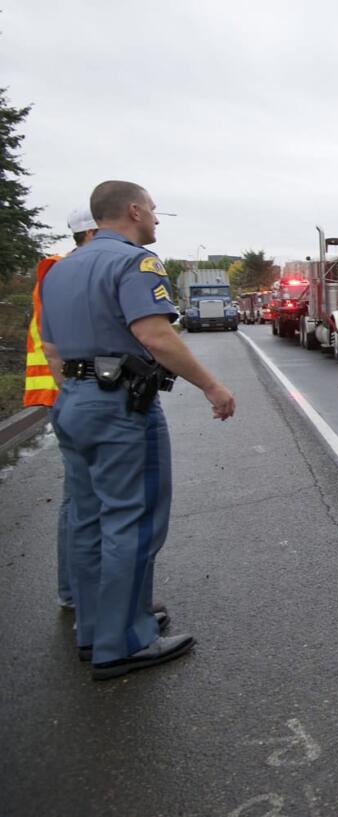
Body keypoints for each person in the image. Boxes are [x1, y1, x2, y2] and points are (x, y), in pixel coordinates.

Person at [40, 180, 236, 679]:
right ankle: (124, 640)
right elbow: (155, 334)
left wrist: (79, 393)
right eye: (151, 209)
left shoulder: (59, 271)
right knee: (133, 520)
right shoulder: (135, 263)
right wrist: (212, 387)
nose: (154, 218)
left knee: (88, 520)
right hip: (118, 407)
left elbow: (54, 351)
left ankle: (94, 629)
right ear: (132, 210)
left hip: (74, 404)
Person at [25, 206, 98, 609]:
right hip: (70, 394)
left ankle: (76, 591)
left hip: (65, 393)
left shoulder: (59, 272)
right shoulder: (65, 273)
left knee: (80, 499)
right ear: (92, 233)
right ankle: (79, 593)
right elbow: (57, 349)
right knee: (83, 501)